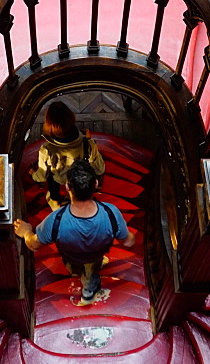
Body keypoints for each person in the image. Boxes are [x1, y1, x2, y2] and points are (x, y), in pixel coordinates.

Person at [14, 160, 134, 305]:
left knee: (73, 266)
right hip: (95, 255)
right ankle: (88, 291)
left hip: (70, 256)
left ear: (67, 187)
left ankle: (75, 271)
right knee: (92, 271)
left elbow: (34, 245)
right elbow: (128, 242)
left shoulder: (55, 220)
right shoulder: (111, 213)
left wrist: (26, 232)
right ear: (95, 184)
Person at [30, 100, 106, 210]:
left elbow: (42, 176)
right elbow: (99, 168)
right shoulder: (86, 143)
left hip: (59, 178)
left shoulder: (46, 150)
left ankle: (55, 206)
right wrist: (90, 141)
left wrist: (33, 175)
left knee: (52, 186)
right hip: (79, 176)